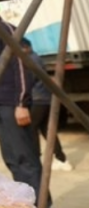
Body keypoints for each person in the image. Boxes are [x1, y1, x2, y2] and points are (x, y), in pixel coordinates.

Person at [0, 3, 49, 208]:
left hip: (12, 104)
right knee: (12, 159)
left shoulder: (5, 29)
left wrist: (21, 103)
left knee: (27, 159)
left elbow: (21, 66)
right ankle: (28, 206)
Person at [20, 37, 73, 172]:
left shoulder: (30, 60)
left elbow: (28, 81)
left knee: (31, 129)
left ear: (25, 47)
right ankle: (62, 159)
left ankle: (35, 159)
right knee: (47, 130)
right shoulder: (35, 58)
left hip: (37, 100)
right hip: (45, 99)